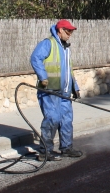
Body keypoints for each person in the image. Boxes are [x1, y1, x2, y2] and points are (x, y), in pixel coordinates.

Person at [30, 20, 83, 159]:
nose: (70, 34)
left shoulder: (66, 48)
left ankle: (67, 148)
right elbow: (35, 58)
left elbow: (68, 70)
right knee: (53, 118)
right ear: (60, 30)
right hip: (50, 90)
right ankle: (45, 151)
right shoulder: (48, 43)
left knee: (66, 120)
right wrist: (42, 76)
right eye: (68, 31)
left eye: (71, 31)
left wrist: (75, 87)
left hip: (64, 92)